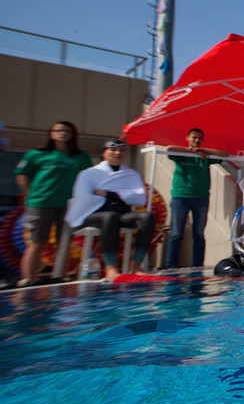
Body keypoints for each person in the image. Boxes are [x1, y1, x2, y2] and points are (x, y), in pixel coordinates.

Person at [14, 121, 92, 286]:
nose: (62, 133)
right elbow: (23, 177)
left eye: (67, 131)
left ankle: (59, 277)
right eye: (58, 130)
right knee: (38, 241)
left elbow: (88, 178)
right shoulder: (35, 154)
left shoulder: (81, 156)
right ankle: (28, 279)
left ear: (73, 134)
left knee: (64, 242)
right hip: (40, 203)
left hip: (69, 205)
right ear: (51, 133)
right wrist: (32, 195)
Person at [64, 139, 155, 280]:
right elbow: (83, 197)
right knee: (110, 216)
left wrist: (108, 194)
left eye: (122, 150)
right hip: (92, 215)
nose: (117, 153)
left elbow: (139, 198)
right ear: (104, 153)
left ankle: (136, 266)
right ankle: (111, 268)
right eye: (113, 150)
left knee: (147, 217)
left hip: (121, 214)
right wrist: (121, 196)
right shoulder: (89, 173)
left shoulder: (131, 174)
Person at [165, 128, 228, 268]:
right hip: (181, 197)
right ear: (187, 138)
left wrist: (205, 150)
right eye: (194, 138)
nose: (197, 141)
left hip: (201, 198)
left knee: (199, 234)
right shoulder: (180, 153)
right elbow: (169, 148)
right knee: (176, 233)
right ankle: (171, 267)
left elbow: (225, 154)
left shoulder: (205, 155)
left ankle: (197, 267)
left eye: (200, 138)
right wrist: (190, 151)